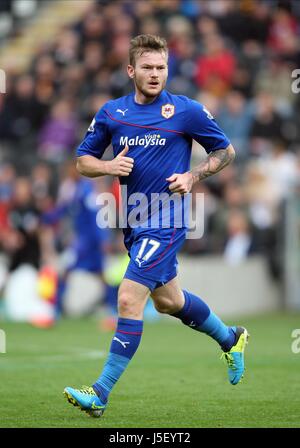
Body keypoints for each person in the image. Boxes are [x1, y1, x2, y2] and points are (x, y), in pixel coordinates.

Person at [64, 35, 249, 418]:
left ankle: (100, 393)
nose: (155, 74)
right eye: (147, 67)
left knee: (129, 297)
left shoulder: (186, 111)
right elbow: (82, 161)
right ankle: (231, 339)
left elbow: (225, 152)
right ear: (131, 70)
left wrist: (193, 176)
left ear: (169, 70)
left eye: (161, 67)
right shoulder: (112, 113)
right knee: (169, 302)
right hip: (134, 222)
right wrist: (109, 166)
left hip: (168, 220)